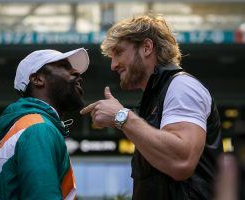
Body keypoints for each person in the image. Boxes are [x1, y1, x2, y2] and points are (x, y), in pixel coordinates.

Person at [80, 15, 223, 199]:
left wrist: (122, 116)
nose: (113, 65)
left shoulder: (182, 87)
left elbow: (182, 161)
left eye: (119, 52)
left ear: (147, 47)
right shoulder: (155, 97)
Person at [0, 48, 89, 200]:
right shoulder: (38, 129)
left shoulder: (30, 126)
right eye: (64, 66)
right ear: (37, 79)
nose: (77, 73)